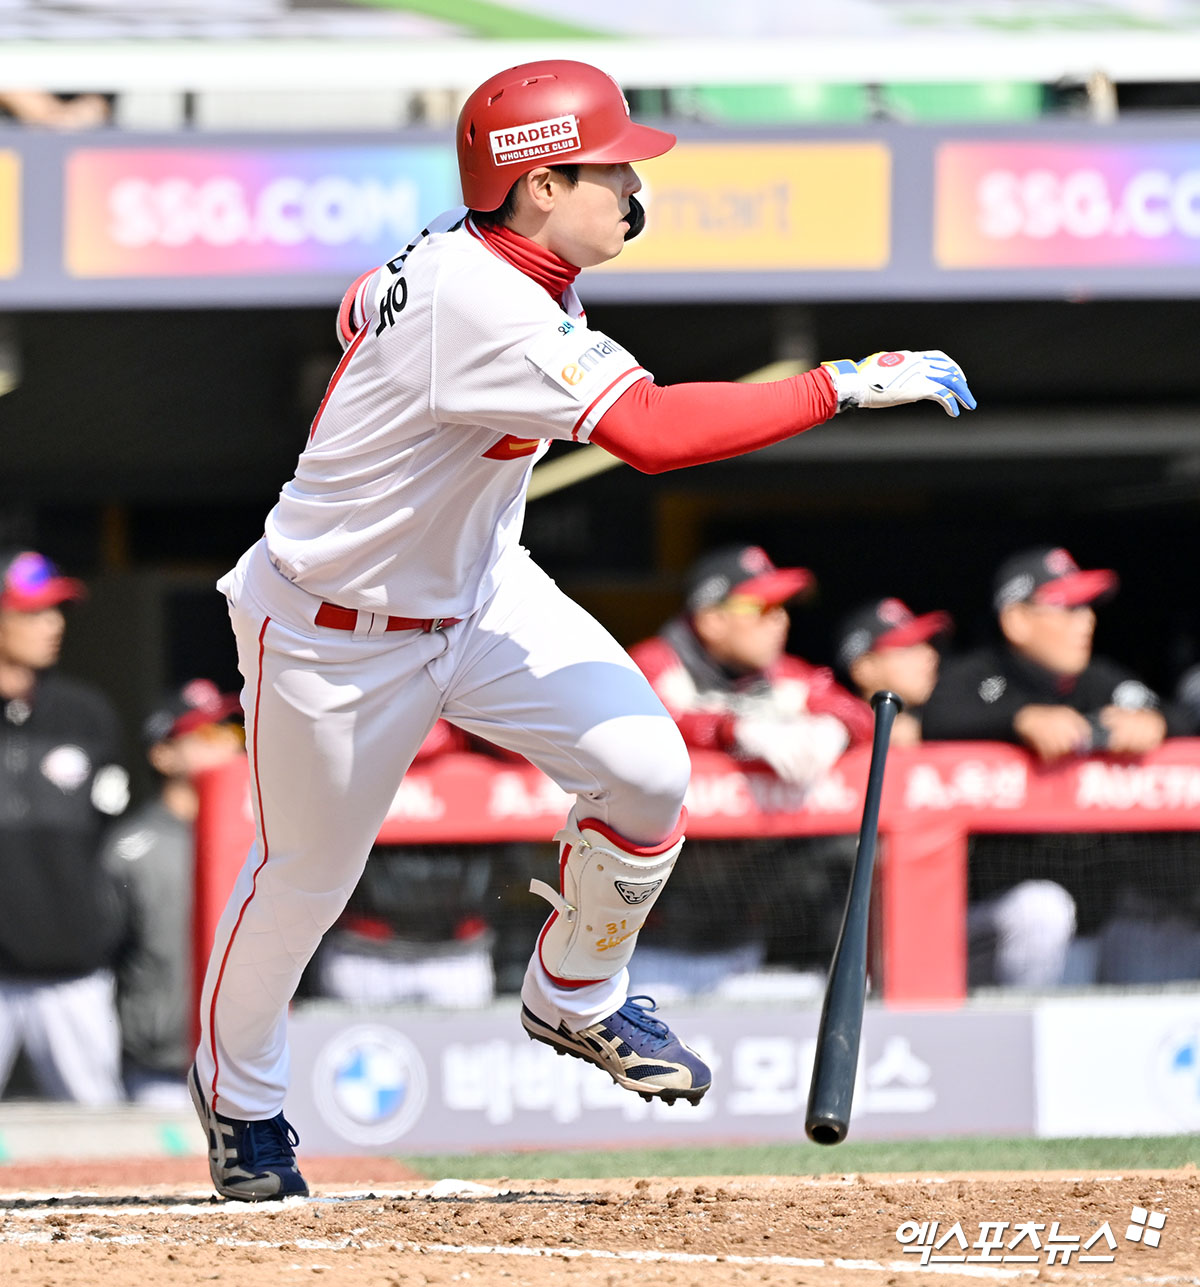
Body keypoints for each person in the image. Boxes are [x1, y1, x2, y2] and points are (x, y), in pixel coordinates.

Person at [188, 57, 976, 1201]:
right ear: (540, 184)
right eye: (610, 171)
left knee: (648, 772)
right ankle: (243, 1104)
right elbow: (650, 433)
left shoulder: (501, 263)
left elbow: (359, 303)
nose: (633, 190)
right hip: (333, 632)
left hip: (481, 592)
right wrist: (839, 384)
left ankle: (575, 992)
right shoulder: (486, 297)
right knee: (306, 877)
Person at [923, 546, 1188, 987]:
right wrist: (1016, 720)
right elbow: (935, 719)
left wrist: (1157, 723)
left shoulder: (1099, 680)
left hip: (1091, 919)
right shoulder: (976, 676)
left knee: (1156, 924)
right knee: (1040, 911)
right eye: (1067, 608)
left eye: (1087, 608)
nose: (1086, 621)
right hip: (987, 924)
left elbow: (1179, 715)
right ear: (1017, 620)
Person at [625, 545, 874, 998]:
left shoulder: (786, 675)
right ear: (711, 619)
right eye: (761, 608)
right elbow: (641, 717)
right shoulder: (655, 663)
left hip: (747, 942)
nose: (780, 620)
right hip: (644, 946)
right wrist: (730, 730)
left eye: (781, 608)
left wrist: (838, 727)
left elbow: (857, 712)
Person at [0, 549, 129, 1104]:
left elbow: (111, 836)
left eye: (57, 611)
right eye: (32, 612)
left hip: (73, 970)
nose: (53, 624)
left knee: (100, 1133)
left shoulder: (86, 714)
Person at [102, 680, 245, 1106]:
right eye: (208, 734)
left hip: (252, 1066)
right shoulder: (128, 849)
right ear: (163, 754)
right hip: (162, 1070)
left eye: (233, 730)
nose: (229, 744)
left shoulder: (266, 839)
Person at [834, 596, 952, 747]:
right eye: (908, 648)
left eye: (925, 644)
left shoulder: (944, 723)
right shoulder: (829, 736)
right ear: (865, 669)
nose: (930, 655)